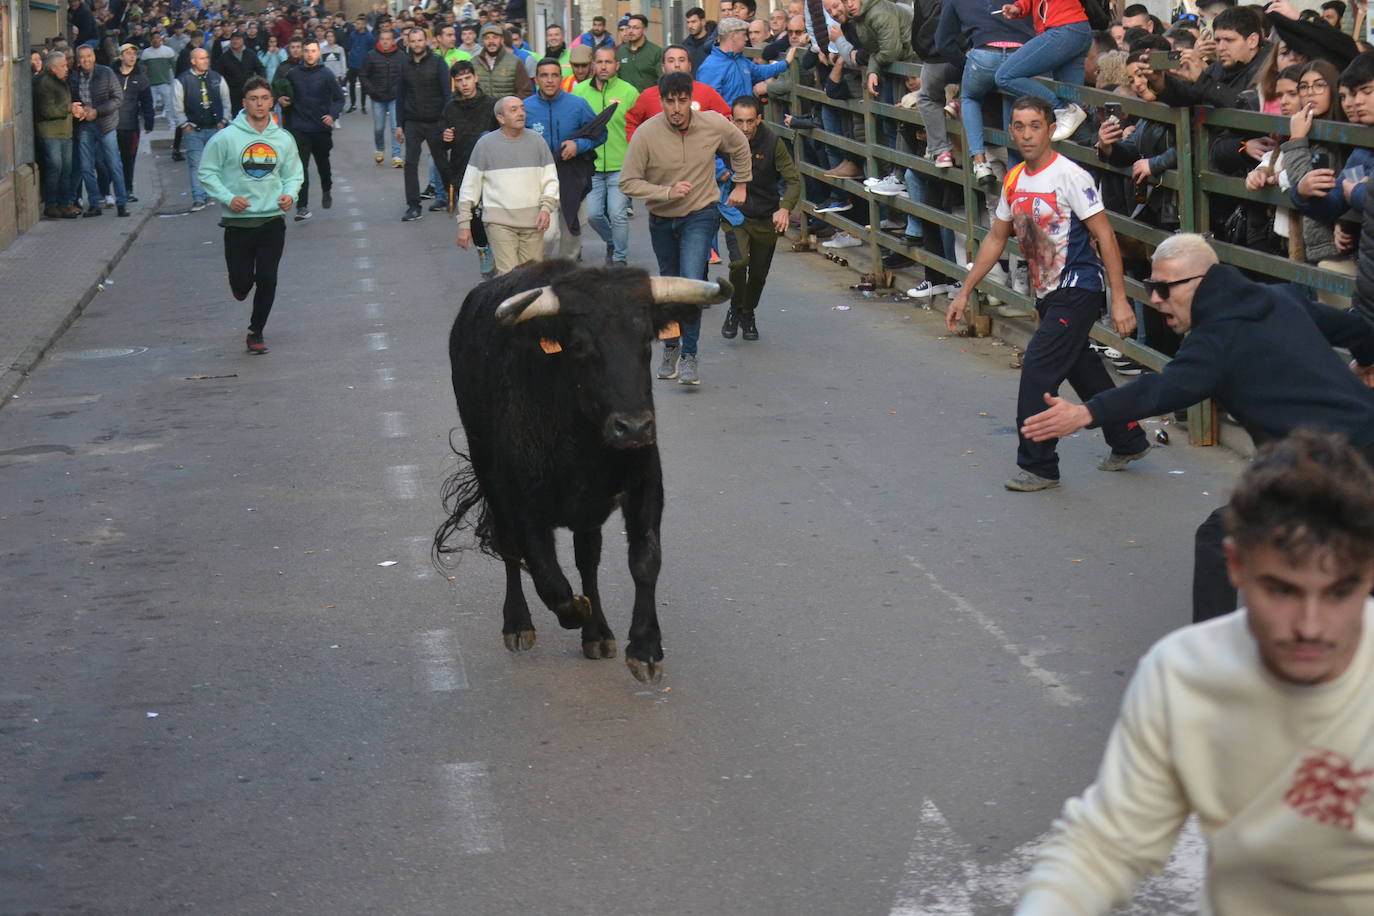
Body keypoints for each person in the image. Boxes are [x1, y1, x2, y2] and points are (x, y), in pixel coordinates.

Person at [1014, 428, 1374, 915]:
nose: (1310, 628)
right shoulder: (1183, 673)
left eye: (1337, 593)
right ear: (1236, 565)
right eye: (1281, 591)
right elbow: (1106, 845)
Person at [1022, 233, 1374, 621]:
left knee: (1220, 538)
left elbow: (1161, 389)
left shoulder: (1215, 340)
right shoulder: (1280, 298)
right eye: (1150, 286)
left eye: (1162, 288)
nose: (1155, 299)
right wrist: (1365, 360)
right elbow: (1358, 331)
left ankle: (1211, 660)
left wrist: (1085, 413)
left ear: (1200, 282)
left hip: (1326, 469)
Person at [946, 95, 1147, 492]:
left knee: (1038, 368)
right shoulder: (1014, 178)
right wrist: (964, 291)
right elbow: (996, 238)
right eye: (1018, 126)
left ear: (1050, 129)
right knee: (1081, 368)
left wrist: (1120, 299)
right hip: (1048, 292)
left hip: (1079, 287)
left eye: (1034, 125)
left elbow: (1105, 236)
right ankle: (1128, 438)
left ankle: (1039, 465)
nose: (1026, 134)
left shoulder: (1070, 175)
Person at [620, 71, 752, 387]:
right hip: (662, 219)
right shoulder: (646, 134)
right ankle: (671, 346)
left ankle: (690, 355)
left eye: (682, 100)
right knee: (669, 288)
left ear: (690, 100)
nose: (677, 108)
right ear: (661, 102)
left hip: (700, 213)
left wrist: (742, 183)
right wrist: (665, 192)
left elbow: (740, 145)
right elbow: (628, 181)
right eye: (670, 101)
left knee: (691, 282)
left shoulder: (712, 124)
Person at [197, 76, 304, 355]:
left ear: (272, 102)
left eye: (265, 98)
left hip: (271, 220)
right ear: (244, 103)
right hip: (238, 223)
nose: (260, 104)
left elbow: (294, 174)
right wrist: (228, 198)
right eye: (254, 99)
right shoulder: (227, 138)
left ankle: (255, 332)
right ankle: (240, 286)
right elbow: (207, 172)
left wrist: (290, 195)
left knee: (268, 277)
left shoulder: (282, 139)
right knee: (242, 283)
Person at [720, 95, 799, 342]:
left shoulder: (773, 143)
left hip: (766, 214)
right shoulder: (722, 142)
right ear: (731, 120)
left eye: (750, 121)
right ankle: (734, 308)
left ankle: (748, 312)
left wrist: (785, 208)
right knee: (739, 262)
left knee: (758, 274)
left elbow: (793, 180)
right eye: (739, 121)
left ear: (759, 120)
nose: (744, 128)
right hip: (735, 215)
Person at [455, 95, 558, 275]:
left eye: (522, 108)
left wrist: (546, 208)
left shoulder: (537, 141)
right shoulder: (485, 145)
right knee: (508, 277)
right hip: (499, 223)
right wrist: (464, 224)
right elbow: (469, 187)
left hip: (533, 222)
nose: (521, 114)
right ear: (500, 118)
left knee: (531, 277)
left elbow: (550, 179)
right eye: (514, 110)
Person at [525, 57, 602, 258]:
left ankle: (567, 274)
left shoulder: (577, 104)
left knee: (571, 233)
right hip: (540, 179)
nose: (549, 80)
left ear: (561, 78)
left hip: (573, 176)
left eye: (554, 75)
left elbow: (600, 134)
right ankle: (541, 270)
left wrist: (579, 145)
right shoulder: (526, 108)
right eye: (544, 75)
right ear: (536, 80)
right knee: (547, 234)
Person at [573, 46, 639, 265]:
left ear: (616, 65)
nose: (603, 66)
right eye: (599, 62)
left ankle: (619, 259)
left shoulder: (629, 91)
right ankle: (613, 241)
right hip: (590, 166)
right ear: (594, 64)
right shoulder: (580, 92)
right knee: (592, 215)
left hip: (621, 164)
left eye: (608, 62)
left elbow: (638, 127)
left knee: (618, 213)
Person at [994, 0, 1093, 142]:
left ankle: (1060, 108)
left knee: (1005, 76)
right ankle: (1084, 149)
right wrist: (1020, 7)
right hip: (1076, 28)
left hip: (1064, 28)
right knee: (1072, 107)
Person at [442, 59, 498, 276]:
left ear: (475, 77)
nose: (464, 84)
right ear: (455, 83)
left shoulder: (491, 105)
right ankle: (483, 250)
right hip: (462, 168)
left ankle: (500, 253)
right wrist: (445, 138)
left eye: (467, 78)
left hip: (491, 170)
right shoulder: (450, 108)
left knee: (493, 216)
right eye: (459, 80)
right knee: (473, 216)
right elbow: (443, 139)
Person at [394, 27, 452, 221]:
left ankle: (451, 197)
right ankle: (413, 206)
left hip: (436, 121)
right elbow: (400, 95)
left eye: (420, 40)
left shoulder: (438, 63)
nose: (417, 44)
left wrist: (446, 122)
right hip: (412, 122)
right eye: (413, 41)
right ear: (408, 43)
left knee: (442, 163)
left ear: (426, 41)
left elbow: (447, 94)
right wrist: (399, 124)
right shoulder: (404, 65)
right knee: (410, 163)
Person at [283, 38, 344, 221]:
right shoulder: (293, 74)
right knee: (301, 168)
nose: (310, 54)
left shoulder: (326, 74)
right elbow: (282, 92)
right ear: (303, 53)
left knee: (323, 165)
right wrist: (281, 99)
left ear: (319, 53)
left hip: (320, 128)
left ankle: (327, 189)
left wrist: (332, 116)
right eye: (307, 51)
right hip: (300, 128)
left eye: (313, 51)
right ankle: (302, 207)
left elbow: (339, 98)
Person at [624, 44, 730, 140]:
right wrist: (640, 148)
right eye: (671, 61)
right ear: (663, 68)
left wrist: (713, 146)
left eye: (682, 60)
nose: (677, 65)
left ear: (689, 66)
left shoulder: (706, 92)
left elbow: (726, 119)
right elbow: (631, 122)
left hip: (698, 158)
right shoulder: (648, 96)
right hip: (661, 158)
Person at [70, 45, 128, 218]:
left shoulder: (106, 73)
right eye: (81, 57)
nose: (85, 60)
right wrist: (77, 110)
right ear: (78, 60)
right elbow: (73, 100)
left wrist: (97, 111)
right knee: (86, 166)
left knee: (113, 164)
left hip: (106, 124)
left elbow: (118, 98)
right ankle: (94, 204)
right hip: (85, 125)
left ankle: (122, 203)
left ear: (94, 56)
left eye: (88, 56)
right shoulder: (75, 77)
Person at [697, 18, 788, 105]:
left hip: (747, 117)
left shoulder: (740, 59)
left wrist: (786, 63)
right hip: (727, 119)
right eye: (744, 34)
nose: (747, 39)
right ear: (733, 36)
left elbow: (760, 72)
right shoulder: (710, 67)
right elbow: (709, 103)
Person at [34, 51, 81, 219]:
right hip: (51, 133)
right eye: (63, 66)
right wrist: (68, 108)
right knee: (55, 168)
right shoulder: (45, 83)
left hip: (65, 132)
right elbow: (47, 110)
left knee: (66, 170)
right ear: (53, 68)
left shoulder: (61, 81)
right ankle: (51, 205)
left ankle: (65, 204)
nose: (66, 68)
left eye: (67, 65)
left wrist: (74, 109)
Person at [113, 43, 154, 205]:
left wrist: (149, 122)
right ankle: (108, 192)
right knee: (109, 161)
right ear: (121, 56)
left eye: (134, 54)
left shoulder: (140, 78)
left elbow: (147, 102)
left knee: (128, 160)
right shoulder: (111, 74)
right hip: (111, 126)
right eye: (128, 53)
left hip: (131, 126)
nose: (132, 57)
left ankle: (127, 190)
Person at [362, 28, 404, 166]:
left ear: (393, 41)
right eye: (383, 39)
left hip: (395, 96)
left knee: (395, 126)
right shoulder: (371, 55)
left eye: (388, 39)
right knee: (379, 127)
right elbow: (363, 76)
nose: (385, 42)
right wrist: (372, 91)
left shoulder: (401, 56)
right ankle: (379, 149)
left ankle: (396, 155)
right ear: (379, 41)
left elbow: (406, 75)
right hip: (377, 97)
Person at [472, 22, 531, 99]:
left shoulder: (514, 62)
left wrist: (510, 106)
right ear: (483, 41)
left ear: (502, 40)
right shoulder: (474, 62)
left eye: (495, 37)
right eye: (487, 38)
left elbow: (525, 91)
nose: (491, 41)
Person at [215, 31, 266, 115]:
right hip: (232, 94)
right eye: (233, 39)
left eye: (238, 39)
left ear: (242, 40)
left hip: (249, 92)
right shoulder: (224, 57)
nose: (235, 41)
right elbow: (218, 75)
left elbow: (260, 69)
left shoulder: (250, 54)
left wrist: (260, 83)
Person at [140, 28, 178, 129]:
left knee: (169, 105)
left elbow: (174, 67)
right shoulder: (146, 53)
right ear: (151, 40)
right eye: (153, 38)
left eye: (157, 38)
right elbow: (141, 68)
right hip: (151, 83)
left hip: (165, 83)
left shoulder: (168, 51)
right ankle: (149, 127)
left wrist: (177, 80)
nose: (156, 40)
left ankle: (172, 126)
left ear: (160, 39)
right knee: (150, 106)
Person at [616, 14, 663, 91]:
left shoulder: (656, 52)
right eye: (629, 27)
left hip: (647, 100)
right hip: (626, 100)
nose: (631, 31)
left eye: (636, 28)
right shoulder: (620, 51)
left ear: (645, 30)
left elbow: (662, 80)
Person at [345, 15, 374, 113]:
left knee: (363, 86)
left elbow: (371, 51)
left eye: (358, 24)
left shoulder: (369, 36)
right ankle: (353, 104)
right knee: (352, 85)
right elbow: (349, 46)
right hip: (353, 63)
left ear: (364, 25)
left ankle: (363, 106)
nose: (356, 25)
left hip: (363, 64)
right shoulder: (353, 34)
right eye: (356, 23)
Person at [682, 6, 719, 71]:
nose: (690, 26)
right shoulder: (685, 46)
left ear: (703, 22)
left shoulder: (714, 44)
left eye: (693, 22)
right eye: (688, 22)